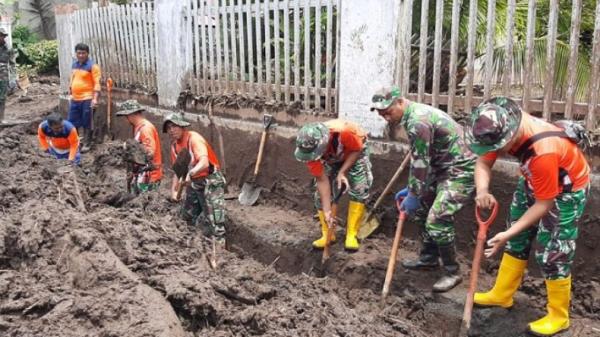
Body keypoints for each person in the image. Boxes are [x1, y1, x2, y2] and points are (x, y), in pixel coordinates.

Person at [466, 97, 590, 336]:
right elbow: (483, 162)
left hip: (566, 190)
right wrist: (482, 191)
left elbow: (545, 203)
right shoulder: (498, 126)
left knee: (553, 252)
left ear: (509, 138)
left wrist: (507, 233)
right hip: (533, 179)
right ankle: (501, 295)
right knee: (517, 239)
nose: (494, 151)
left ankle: (558, 315)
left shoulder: (542, 151)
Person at [370, 86, 476, 292]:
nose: (386, 118)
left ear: (400, 102)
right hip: (440, 167)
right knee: (421, 209)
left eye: (388, 112)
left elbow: (420, 162)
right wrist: (412, 190)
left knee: (437, 219)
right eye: (382, 114)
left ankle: (452, 272)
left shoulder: (418, 122)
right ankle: (429, 258)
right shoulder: (412, 117)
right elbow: (422, 160)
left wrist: (414, 192)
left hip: (460, 169)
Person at [294, 119, 372, 251]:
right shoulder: (309, 151)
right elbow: (321, 180)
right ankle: (328, 234)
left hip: (354, 151)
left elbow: (356, 150)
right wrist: (327, 211)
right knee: (319, 195)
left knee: (360, 187)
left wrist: (342, 172)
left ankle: (352, 234)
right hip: (331, 155)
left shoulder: (346, 132)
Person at [163, 112, 227, 244]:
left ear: (182, 126)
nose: (171, 130)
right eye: (168, 128)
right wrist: (174, 191)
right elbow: (178, 172)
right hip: (194, 182)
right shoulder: (175, 147)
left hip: (210, 180)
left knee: (214, 221)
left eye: (174, 126)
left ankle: (219, 252)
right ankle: (190, 244)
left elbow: (203, 163)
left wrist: (190, 174)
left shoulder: (194, 139)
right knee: (187, 216)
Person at [116, 100, 163, 194]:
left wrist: (130, 149)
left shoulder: (145, 129)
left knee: (145, 201)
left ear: (131, 115)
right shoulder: (138, 127)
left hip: (149, 175)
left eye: (126, 116)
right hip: (141, 173)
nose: (126, 119)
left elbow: (150, 153)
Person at [69, 43, 101, 153]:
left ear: (87, 53)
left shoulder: (92, 66)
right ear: (76, 54)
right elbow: (72, 79)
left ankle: (87, 143)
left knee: (87, 121)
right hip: (75, 98)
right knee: (73, 122)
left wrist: (95, 99)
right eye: (79, 53)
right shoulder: (74, 65)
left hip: (87, 98)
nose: (81, 55)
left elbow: (97, 83)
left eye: (83, 53)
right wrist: (70, 92)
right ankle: (76, 142)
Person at [0, 28, 16, 124]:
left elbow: (13, 64)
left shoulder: (9, 48)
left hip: (3, 77)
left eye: (2, 36)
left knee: (2, 98)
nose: (1, 37)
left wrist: (13, 78)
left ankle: (1, 118)